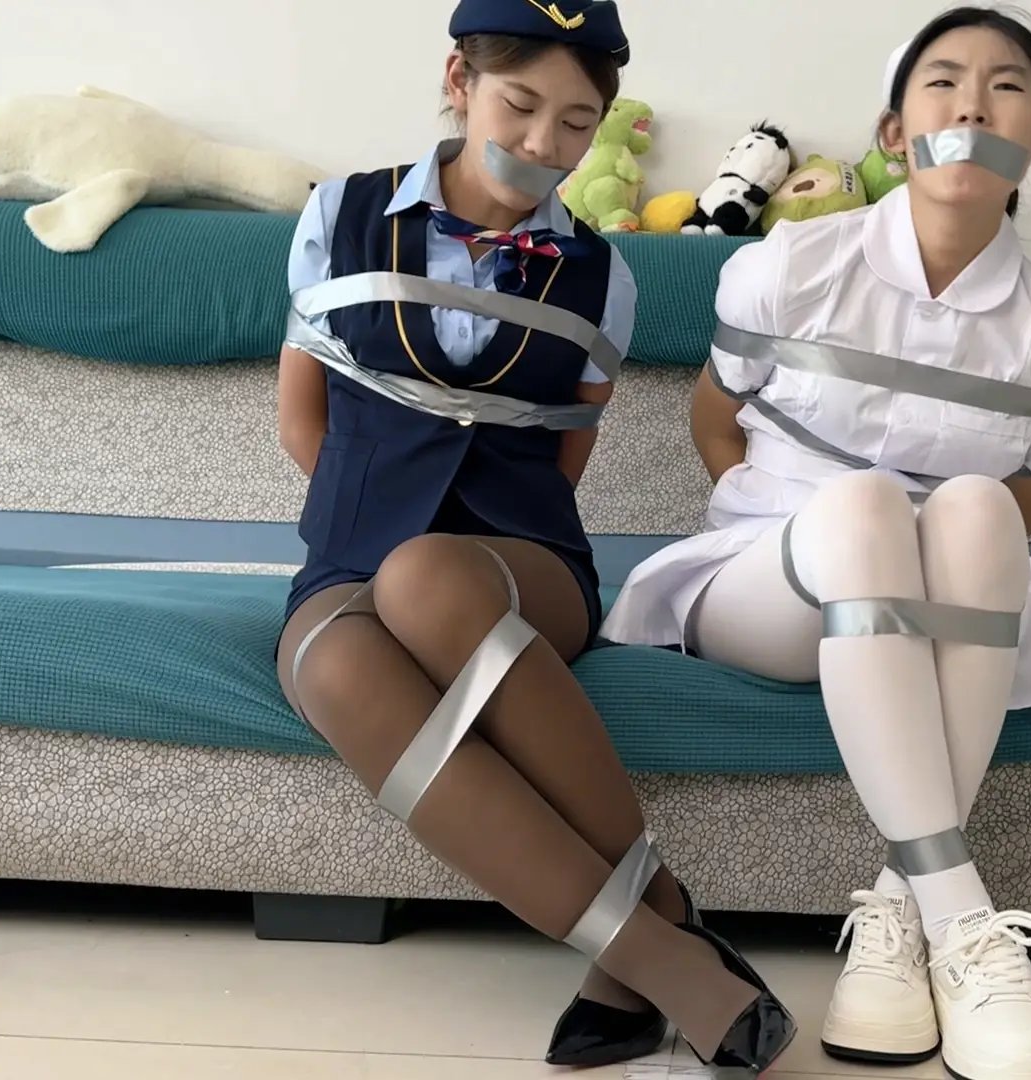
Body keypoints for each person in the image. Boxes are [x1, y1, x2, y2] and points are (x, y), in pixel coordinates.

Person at [271, 1, 793, 1072]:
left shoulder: (606, 274)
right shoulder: (339, 212)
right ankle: (660, 942)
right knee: (331, 663)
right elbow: (301, 420)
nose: (544, 144)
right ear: (458, 80)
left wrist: (453, 549)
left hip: (526, 563)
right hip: (353, 554)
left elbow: (564, 458)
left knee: (430, 578)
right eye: (519, 105)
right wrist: (373, 521)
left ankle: (658, 954)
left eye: (577, 123)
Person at [600, 7, 1031, 1079]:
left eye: (1007, 87)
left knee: (974, 509)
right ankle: (967, 923)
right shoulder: (793, 265)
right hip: (767, 580)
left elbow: (1027, 501)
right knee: (866, 507)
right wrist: (798, 523)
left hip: (944, 591)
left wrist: (927, 561)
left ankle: (895, 927)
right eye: (943, 83)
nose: (972, 107)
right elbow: (715, 422)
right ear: (894, 131)